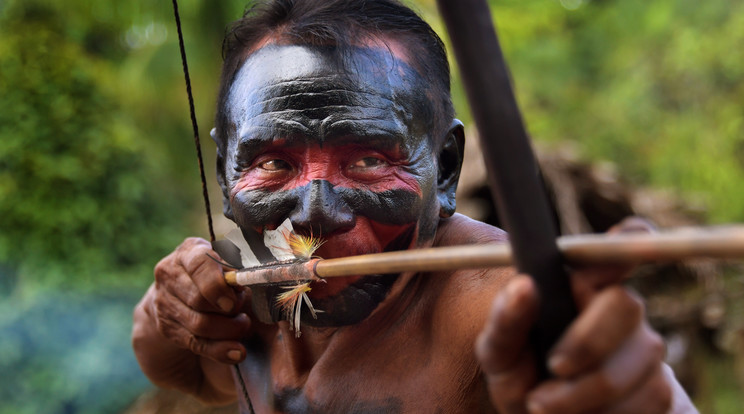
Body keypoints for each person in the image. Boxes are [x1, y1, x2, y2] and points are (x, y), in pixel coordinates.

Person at [132, 0, 697, 412]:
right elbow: (177, 364)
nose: (312, 212)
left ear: (445, 169)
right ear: (225, 171)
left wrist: (632, 395)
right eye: (274, 165)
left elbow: (598, 371)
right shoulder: (254, 293)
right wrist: (172, 307)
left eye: (368, 162)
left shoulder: (493, 300)